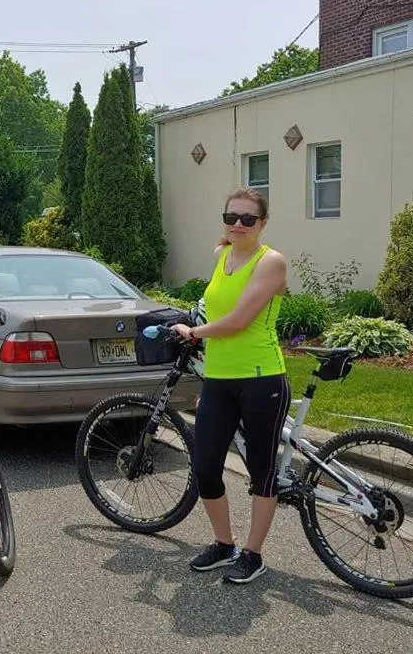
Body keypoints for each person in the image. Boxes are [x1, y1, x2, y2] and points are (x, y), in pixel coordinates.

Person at [172, 187, 290, 585]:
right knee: (205, 466)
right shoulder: (223, 255)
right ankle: (224, 545)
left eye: (248, 219)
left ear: (264, 223)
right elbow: (217, 305)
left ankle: (253, 555)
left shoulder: (270, 261)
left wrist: (194, 331)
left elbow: (239, 321)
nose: (238, 224)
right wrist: (194, 320)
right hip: (220, 379)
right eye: (231, 217)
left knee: (261, 472)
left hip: (260, 379)